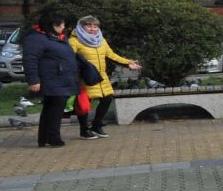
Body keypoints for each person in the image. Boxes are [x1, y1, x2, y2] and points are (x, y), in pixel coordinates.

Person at [68, 15, 142, 139]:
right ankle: (84, 130)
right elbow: (69, 59)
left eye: (95, 26)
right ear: (81, 27)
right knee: (84, 104)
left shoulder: (100, 40)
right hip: (85, 77)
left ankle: (96, 125)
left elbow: (111, 55)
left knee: (107, 98)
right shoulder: (74, 41)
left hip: (101, 76)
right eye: (89, 25)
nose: (92, 29)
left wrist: (127, 62)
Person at [21, 9, 78, 148]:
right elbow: (30, 60)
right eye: (61, 24)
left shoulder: (57, 38)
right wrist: (33, 80)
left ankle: (45, 138)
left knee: (51, 109)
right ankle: (53, 137)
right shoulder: (36, 39)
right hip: (52, 80)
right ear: (52, 25)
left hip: (60, 79)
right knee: (55, 110)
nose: (64, 27)